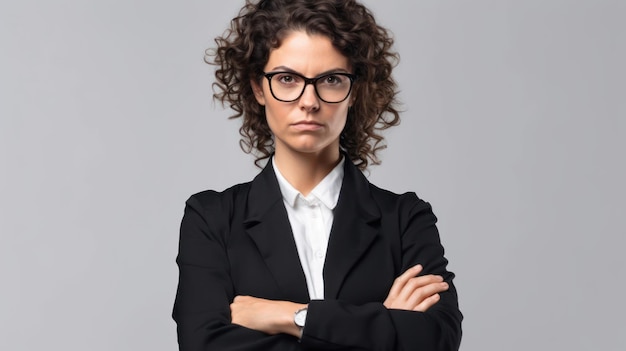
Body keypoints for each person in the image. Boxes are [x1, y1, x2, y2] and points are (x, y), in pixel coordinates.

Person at [172, 0, 463, 350]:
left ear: (354, 91)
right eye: (287, 78)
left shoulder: (404, 218)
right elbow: (202, 344)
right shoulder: (212, 218)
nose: (309, 100)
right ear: (258, 88)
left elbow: (437, 340)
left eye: (331, 80)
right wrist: (379, 326)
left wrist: (293, 317)